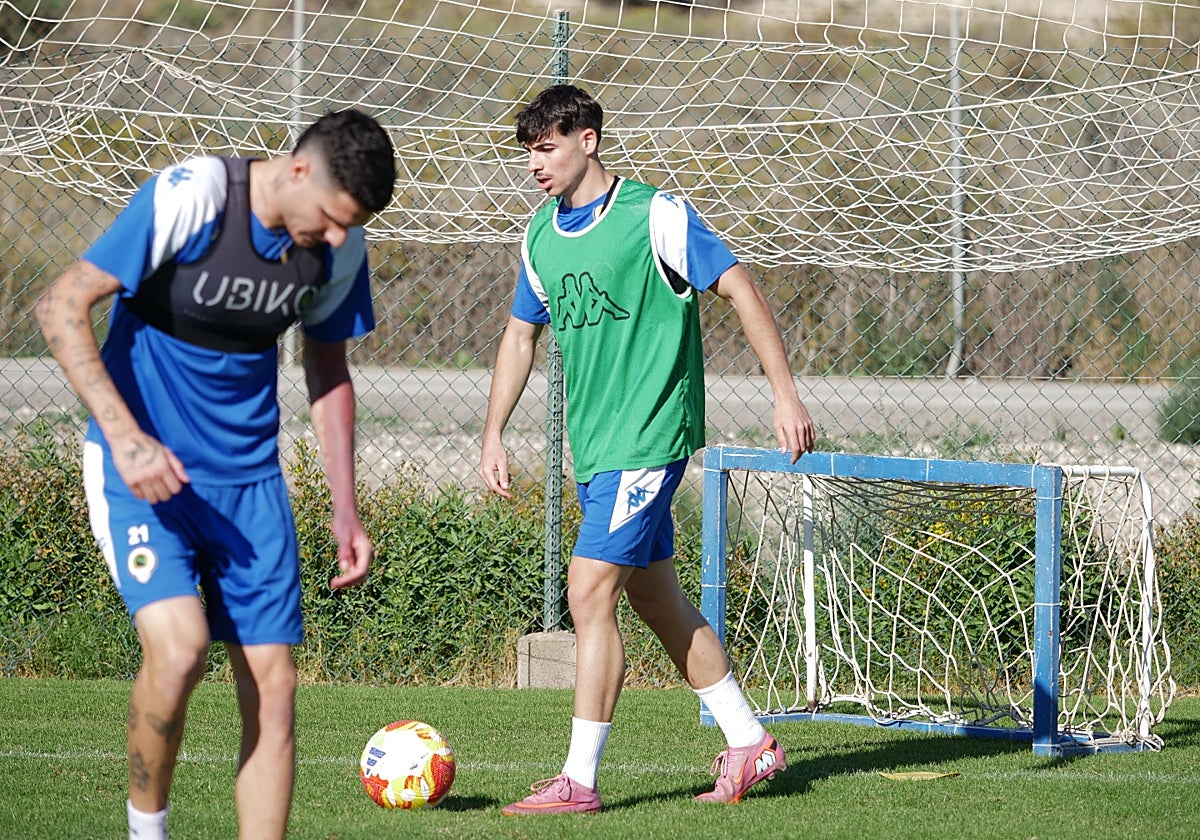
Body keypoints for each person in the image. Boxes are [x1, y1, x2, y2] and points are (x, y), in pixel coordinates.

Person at [35, 109, 396, 840]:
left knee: (275, 688)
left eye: (347, 226)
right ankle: (147, 832)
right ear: (298, 171)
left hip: (252, 489)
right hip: (145, 473)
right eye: (330, 218)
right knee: (180, 650)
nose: (333, 238)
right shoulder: (195, 196)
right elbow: (61, 303)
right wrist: (126, 437)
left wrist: (346, 509)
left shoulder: (339, 246)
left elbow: (328, 368)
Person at [478, 84, 816, 815]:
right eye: (529, 152)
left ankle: (580, 780)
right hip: (599, 451)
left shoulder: (653, 215)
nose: (536, 164)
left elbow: (738, 288)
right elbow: (518, 335)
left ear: (588, 140)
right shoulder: (540, 235)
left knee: (587, 590)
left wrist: (784, 394)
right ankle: (750, 742)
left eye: (548, 147)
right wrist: (493, 431)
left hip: (650, 438)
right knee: (657, 599)